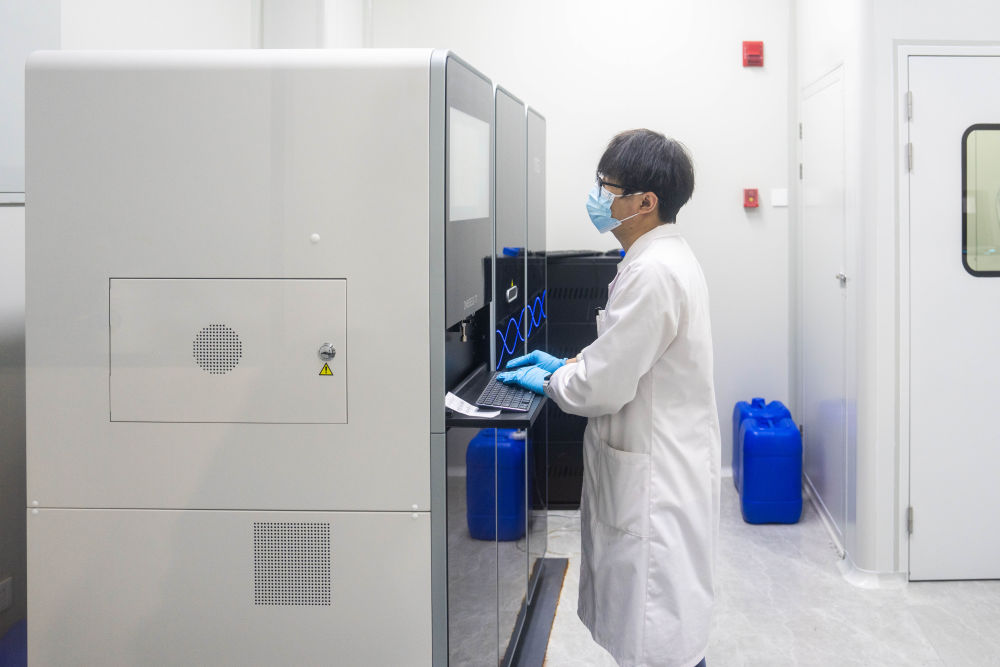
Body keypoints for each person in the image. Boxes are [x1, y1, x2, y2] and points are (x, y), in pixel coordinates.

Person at [498, 129, 720, 667]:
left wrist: (555, 380)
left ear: (646, 202)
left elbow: (602, 387)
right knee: (661, 630)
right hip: (663, 461)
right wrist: (572, 364)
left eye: (608, 188)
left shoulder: (653, 271)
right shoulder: (660, 258)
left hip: (656, 482)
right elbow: (629, 357)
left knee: (659, 634)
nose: (598, 198)